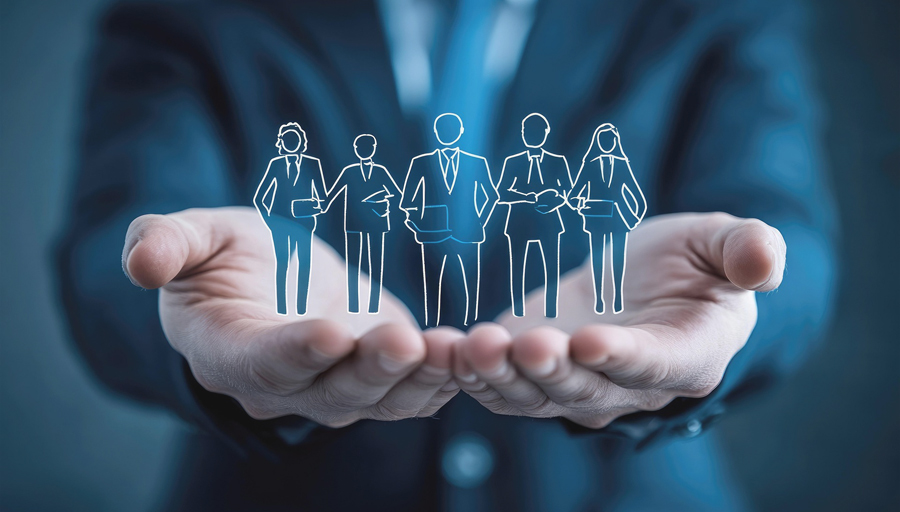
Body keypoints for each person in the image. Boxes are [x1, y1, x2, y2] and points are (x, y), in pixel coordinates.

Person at [57, 1, 836, 510]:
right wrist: (192, 323)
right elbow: (120, 237)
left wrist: (729, 314)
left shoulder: (722, 9)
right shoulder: (186, 13)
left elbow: (781, 225)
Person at [400, 113, 499, 327]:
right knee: (430, 287)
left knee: (469, 288)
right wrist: (417, 225)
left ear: (460, 132)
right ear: (436, 133)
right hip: (430, 237)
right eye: (443, 130)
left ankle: (471, 323)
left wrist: (482, 220)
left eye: (453, 130)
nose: (448, 134)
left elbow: (492, 196)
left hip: (470, 239)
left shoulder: (476, 160)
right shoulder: (421, 161)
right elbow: (407, 201)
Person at [497, 113, 572, 318]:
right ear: (523, 134)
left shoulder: (558, 161)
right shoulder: (513, 162)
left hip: (550, 224)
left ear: (546, 133)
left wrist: (553, 200)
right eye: (528, 132)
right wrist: (525, 197)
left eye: (538, 132)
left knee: (551, 271)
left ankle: (551, 310)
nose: (533, 136)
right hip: (516, 225)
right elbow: (501, 194)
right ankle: (517, 311)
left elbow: (568, 194)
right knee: (517, 271)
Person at [252, 122, 328, 316]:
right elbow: (260, 198)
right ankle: (281, 307)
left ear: (301, 142)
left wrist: (313, 206)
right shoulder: (276, 164)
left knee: (304, 265)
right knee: (282, 265)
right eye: (287, 140)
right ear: (282, 143)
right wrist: (269, 222)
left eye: (294, 140)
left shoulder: (314, 163)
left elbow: (323, 199)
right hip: (280, 224)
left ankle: (301, 308)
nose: (291, 143)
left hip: (305, 223)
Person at [571, 123, 647, 314]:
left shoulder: (622, 164)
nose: (607, 143)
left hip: (617, 220)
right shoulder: (589, 165)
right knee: (598, 261)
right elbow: (573, 195)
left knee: (618, 261)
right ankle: (598, 299)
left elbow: (635, 194)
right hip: (594, 218)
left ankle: (617, 298)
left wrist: (634, 217)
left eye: (611, 140)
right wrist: (580, 204)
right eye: (604, 140)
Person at [323, 134, 401, 314]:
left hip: (378, 222)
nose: (364, 151)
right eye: (361, 148)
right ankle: (354, 305)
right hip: (354, 225)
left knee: (376, 266)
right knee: (355, 265)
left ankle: (374, 306)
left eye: (368, 148)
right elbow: (331, 193)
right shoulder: (349, 170)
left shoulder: (381, 171)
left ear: (373, 149)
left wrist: (383, 200)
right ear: (356, 150)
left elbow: (396, 193)